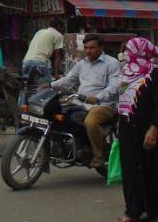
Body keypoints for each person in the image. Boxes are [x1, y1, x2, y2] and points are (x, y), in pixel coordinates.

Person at [115, 37, 158, 222]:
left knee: (153, 168)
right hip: (128, 128)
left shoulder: (156, 75)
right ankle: (132, 211)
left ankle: (154, 208)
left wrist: (154, 128)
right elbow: (122, 100)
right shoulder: (126, 73)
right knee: (130, 169)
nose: (126, 54)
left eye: (130, 51)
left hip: (150, 129)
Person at [46, 34, 119, 168]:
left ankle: (99, 155)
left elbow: (114, 86)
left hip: (104, 105)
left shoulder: (112, 63)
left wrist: (98, 97)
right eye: (85, 48)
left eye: (92, 48)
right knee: (57, 114)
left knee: (90, 121)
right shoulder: (81, 64)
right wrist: (49, 85)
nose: (87, 51)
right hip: (80, 103)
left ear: (101, 48)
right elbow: (67, 81)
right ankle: (68, 145)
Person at [22, 18, 64, 83]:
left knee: (30, 86)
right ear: (58, 26)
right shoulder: (58, 35)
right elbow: (57, 56)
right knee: (49, 86)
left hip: (26, 61)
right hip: (39, 63)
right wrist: (56, 74)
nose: (62, 30)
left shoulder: (40, 32)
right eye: (62, 27)